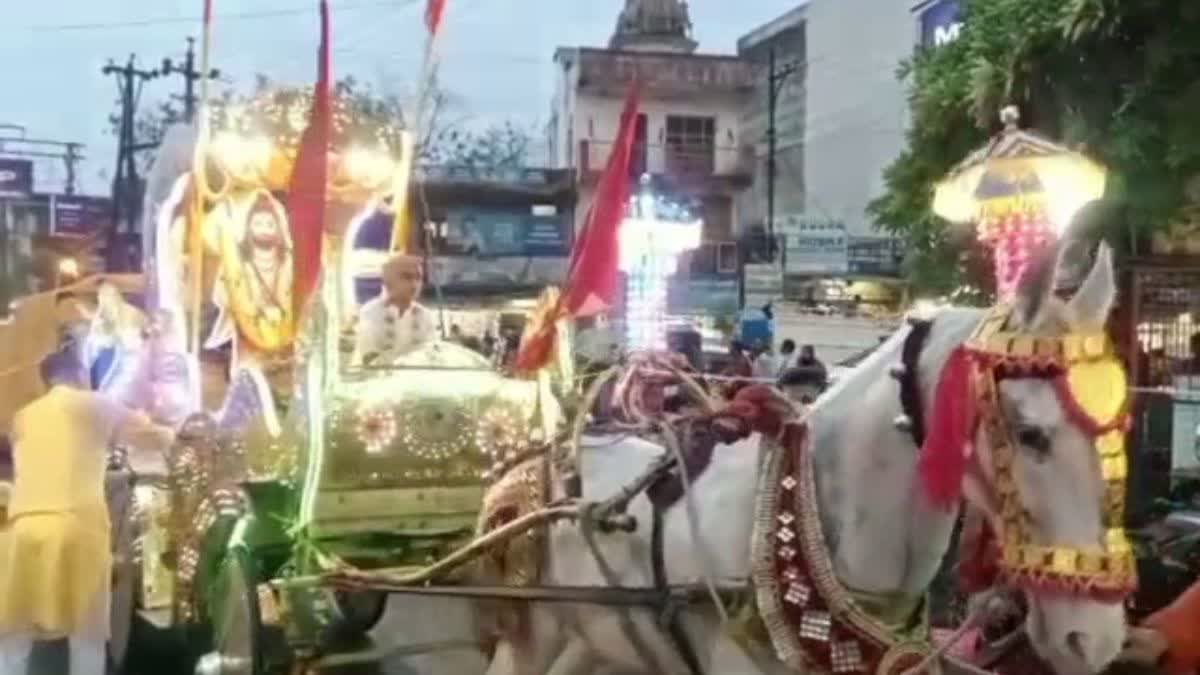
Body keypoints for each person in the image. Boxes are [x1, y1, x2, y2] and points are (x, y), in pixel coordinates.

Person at [0, 348, 175, 675]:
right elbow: (152, 436)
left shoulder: (23, 416)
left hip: (21, 528)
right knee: (87, 633)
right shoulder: (93, 402)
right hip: (75, 525)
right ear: (80, 375)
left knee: (13, 634)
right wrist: (179, 434)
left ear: (45, 381)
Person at [355, 254, 439, 364]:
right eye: (406, 277)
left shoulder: (426, 316)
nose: (414, 284)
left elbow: (433, 355)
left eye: (418, 278)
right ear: (387, 280)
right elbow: (368, 357)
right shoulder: (369, 313)